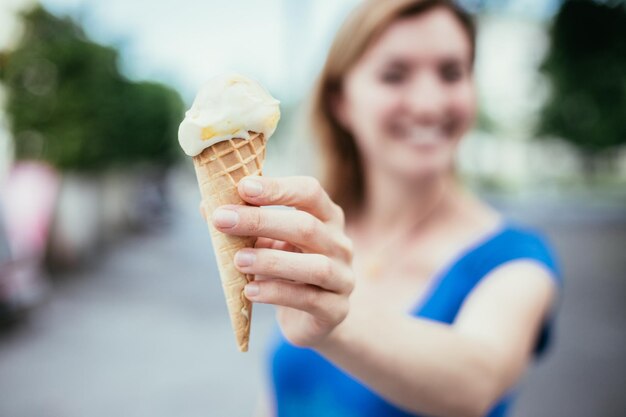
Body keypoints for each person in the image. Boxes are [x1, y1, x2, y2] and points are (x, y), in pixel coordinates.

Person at [209, 0, 561, 416]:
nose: (429, 104)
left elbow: (476, 384)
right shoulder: (316, 240)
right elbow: (283, 395)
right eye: (395, 75)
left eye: (451, 73)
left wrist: (338, 322)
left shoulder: (515, 259)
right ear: (341, 101)